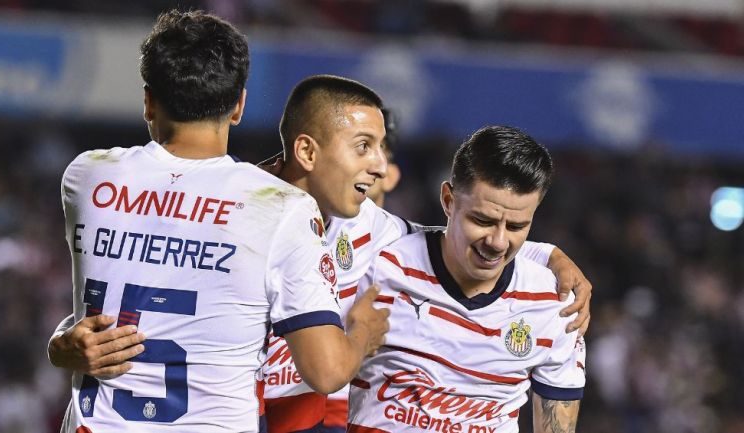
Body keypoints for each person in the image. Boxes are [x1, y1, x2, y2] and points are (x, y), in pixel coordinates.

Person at [50, 76, 593, 431]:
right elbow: (135, 303)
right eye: (364, 149)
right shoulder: (232, 212)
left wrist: (550, 257)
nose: (381, 168)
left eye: (382, 151)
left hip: (305, 416)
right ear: (308, 151)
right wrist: (62, 343)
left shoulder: (378, 235)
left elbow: (451, 240)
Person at [54, 12, 389, 433]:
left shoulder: (87, 177)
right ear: (239, 106)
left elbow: (128, 284)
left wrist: (59, 345)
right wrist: (359, 332)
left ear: (148, 102)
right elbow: (325, 372)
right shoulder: (281, 207)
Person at [347, 125, 585, 433]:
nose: (498, 242)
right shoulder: (382, 268)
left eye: (516, 226)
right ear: (448, 200)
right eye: (482, 220)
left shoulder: (555, 303)